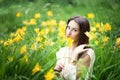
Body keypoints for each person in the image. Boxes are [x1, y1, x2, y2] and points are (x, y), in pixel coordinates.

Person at [54, 16, 95, 80]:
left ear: (82, 34)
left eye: (74, 30)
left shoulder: (87, 52)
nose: (68, 32)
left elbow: (75, 78)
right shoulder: (62, 51)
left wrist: (74, 57)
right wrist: (56, 71)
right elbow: (59, 77)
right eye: (68, 27)